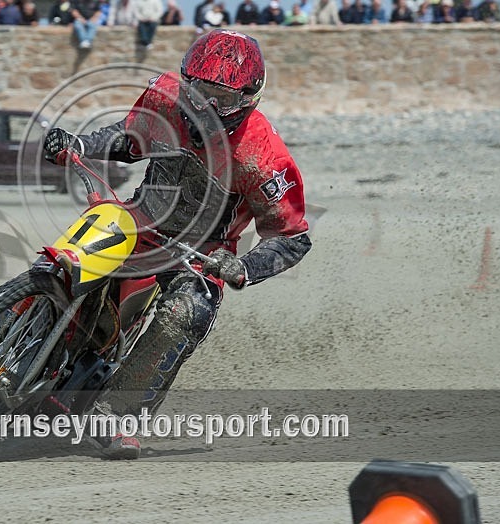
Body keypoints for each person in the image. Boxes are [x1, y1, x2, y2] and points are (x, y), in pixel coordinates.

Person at [43, 30, 312, 459]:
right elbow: (130, 140)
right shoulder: (164, 97)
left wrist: (244, 268)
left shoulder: (264, 156)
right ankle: (20, 335)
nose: (205, 106)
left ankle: (118, 416)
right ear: (185, 80)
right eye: (198, 91)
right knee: (71, 258)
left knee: (186, 313)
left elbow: (292, 237)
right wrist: (78, 145)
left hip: (202, 255)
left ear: (248, 99)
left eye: (220, 98)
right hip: (140, 219)